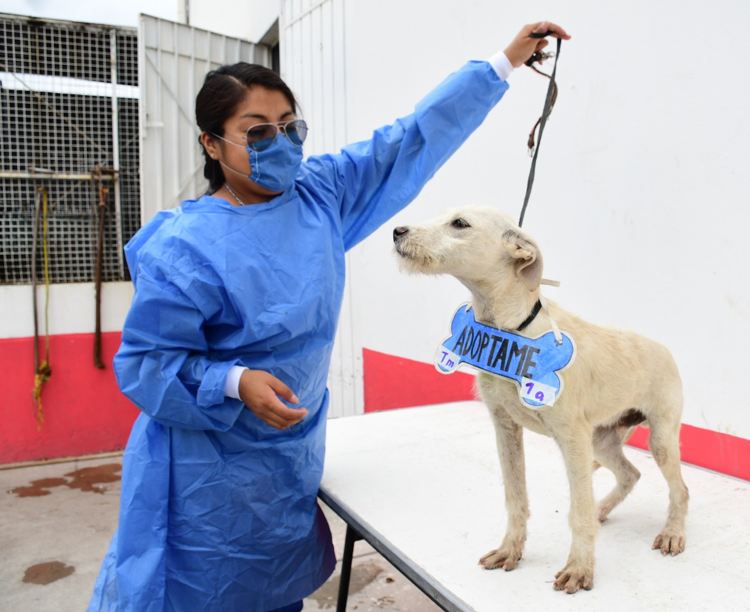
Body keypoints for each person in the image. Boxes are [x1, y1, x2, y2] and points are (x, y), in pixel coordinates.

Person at [88, 20, 571, 612]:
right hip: (200, 477)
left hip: (287, 460)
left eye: (292, 127)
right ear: (213, 144)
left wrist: (502, 64)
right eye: (258, 132)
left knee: (274, 594)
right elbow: (145, 365)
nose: (282, 142)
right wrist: (234, 381)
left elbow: (409, 140)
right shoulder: (184, 247)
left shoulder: (320, 197)